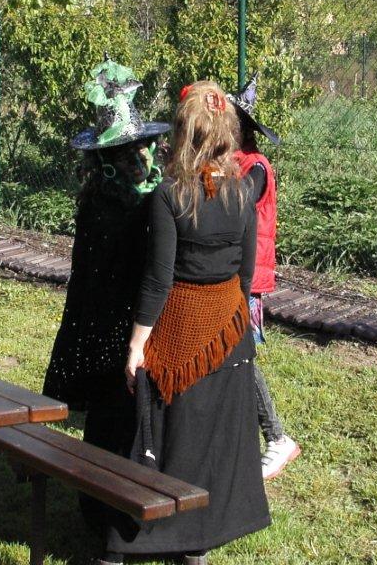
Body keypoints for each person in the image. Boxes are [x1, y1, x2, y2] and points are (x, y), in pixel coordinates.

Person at [101, 81, 270, 565]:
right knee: (209, 443)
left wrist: (137, 345)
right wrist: (228, 322)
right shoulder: (243, 191)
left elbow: (158, 280)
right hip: (229, 336)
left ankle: (129, 542)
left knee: (161, 438)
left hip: (177, 334)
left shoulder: (168, 194)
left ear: (183, 134)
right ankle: (195, 543)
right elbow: (244, 275)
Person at [43, 61, 169, 523]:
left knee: (113, 412)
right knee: (117, 412)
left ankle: (101, 503)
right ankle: (111, 506)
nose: (144, 159)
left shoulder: (122, 197)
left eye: (144, 149)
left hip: (109, 320)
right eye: (133, 153)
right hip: (117, 324)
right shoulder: (119, 205)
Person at [230, 74, 301, 480]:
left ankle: (277, 437)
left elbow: (234, 202)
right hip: (229, 272)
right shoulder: (231, 163)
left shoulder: (255, 167)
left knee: (242, 355)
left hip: (246, 277)